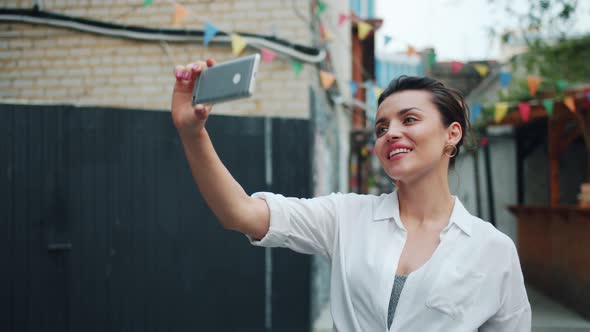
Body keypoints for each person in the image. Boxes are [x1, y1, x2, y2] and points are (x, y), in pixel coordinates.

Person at [171, 59, 532, 331]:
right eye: (381, 126)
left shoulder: (493, 250)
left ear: (451, 134)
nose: (390, 133)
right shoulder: (345, 216)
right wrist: (192, 132)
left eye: (409, 120)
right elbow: (240, 213)